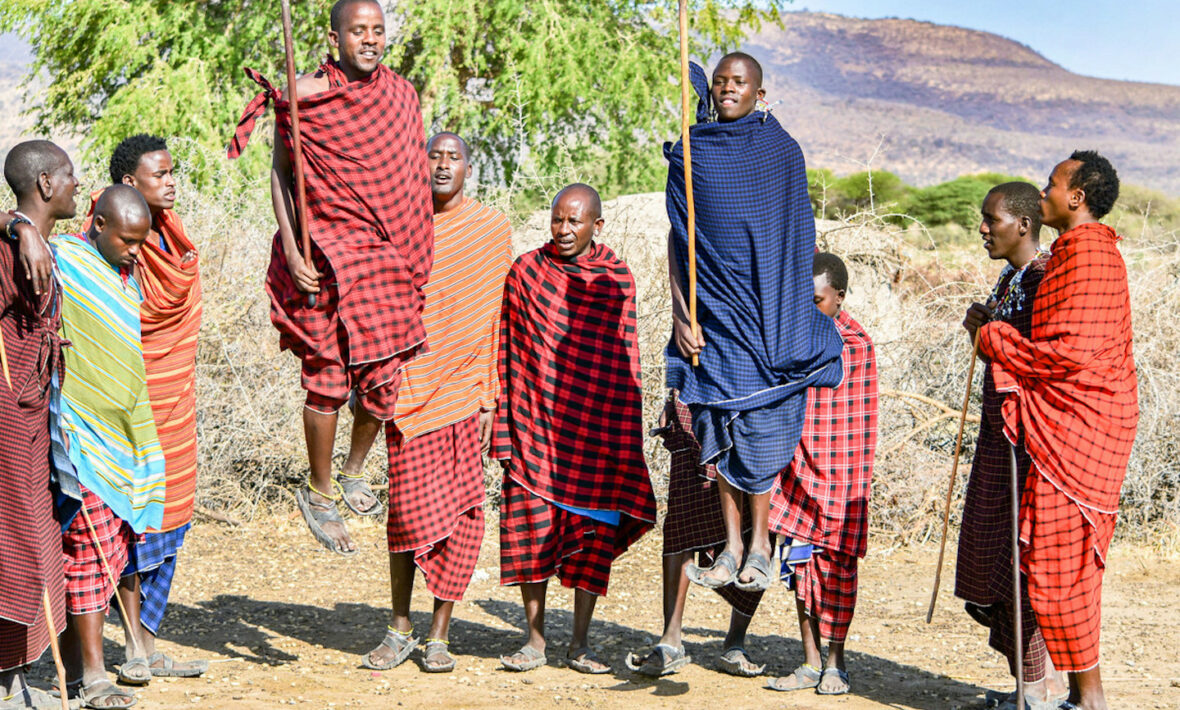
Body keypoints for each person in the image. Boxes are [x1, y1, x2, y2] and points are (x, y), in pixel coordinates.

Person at [228, 0, 434, 554]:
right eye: (357, 31)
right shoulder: (305, 95)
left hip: (386, 260)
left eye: (377, 31)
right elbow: (280, 172)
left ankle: (353, 468)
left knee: (383, 382)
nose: (369, 40)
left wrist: (413, 251)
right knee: (328, 380)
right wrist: (294, 250)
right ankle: (318, 493)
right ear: (334, 36)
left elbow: (407, 183)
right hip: (319, 257)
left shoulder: (401, 96)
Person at [666, 53, 844, 595]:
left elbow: (795, 236)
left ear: (758, 92)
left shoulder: (781, 151)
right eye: (719, 82)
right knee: (719, 421)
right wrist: (679, 313)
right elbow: (679, 241)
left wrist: (791, 313)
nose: (726, 89)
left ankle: (762, 546)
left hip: (771, 312)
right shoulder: (691, 153)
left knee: (762, 430)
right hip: (715, 314)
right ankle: (731, 547)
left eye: (738, 83)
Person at [977, 151, 1138, 710]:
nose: (1042, 192)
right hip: (1062, 431)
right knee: (1056, 570)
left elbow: (1068, 356)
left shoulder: (1090, 258)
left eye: (1051, 185)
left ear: (1077, 198)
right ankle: (1076, 698)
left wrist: (994, 338)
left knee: (1060, 572)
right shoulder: (1073, 255)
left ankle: (1088, 701)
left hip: (1081, 433)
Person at [362, 132, 512, 673]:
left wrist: (494, 397)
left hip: (465, 392)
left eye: (454, 158)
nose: (443, 165)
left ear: (469, 169)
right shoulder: (399, 225)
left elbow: (499, 321)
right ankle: (399, 625)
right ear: (418, 163)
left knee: (463, 514)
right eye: (434, 155)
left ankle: (439, 633)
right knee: (404, 514)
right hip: (407, 390)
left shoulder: (491, 230)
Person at [494, 184, 656, 674]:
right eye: (557, 220)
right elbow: (506, 348)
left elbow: (624, 360)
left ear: (597, 227)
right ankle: (535, 640)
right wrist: (503, 419)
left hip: (596, 430)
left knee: (593, 536)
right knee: (530, 530)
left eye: (575, 222)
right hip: (536, 424)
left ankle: (579, 644)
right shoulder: (525, 273)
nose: (563, 231)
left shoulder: (616, 280)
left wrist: (625, 433)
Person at [89, 134, 206, 681]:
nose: (171, 182)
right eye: (159, 175)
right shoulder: (101, 239)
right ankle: (133, 644)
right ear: (128, 183)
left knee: (168, 522)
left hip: (173, 401)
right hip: (123, 405)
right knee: (130, 520)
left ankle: (148, 643)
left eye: (172, 171)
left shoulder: (172, 239)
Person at [54, 185, 166, 710]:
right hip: (80, 434)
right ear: (96, 223)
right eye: (127, 240)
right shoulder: (64, 262)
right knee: (88, 555)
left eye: (142, 241)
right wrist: (18, 225)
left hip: (125, 436)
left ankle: (80, 669)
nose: (135, 251)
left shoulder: (123, 275)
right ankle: (94, 675)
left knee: (113, 554)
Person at [956, 182, 1065, 710]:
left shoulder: (1046, 280)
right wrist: (980, 332)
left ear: (1023, 224)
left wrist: (992, 335)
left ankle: (1038, 690)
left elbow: (1043, 364)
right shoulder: (1010, 278)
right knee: (988, 562)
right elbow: (1003, 359)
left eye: (990, 219)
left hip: (1027, 446)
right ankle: (1033, 685)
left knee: (1021, 563)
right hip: (996, 441)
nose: (982, 228)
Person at [762, 252, 878, 697]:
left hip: (843, 475)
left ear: (839, 298)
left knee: (837, 568)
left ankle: (837, 662)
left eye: (816, 300)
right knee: (801, 564)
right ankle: (810, 660)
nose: (807, 310)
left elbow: (859, 419)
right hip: (796, 470)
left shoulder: (856, 344)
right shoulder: (788, 338)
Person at [0, 140, 75, 710]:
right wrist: (14, 225)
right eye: (70, 175)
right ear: (45, 184)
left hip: (34, 421)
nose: (77, 184)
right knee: (16, 547)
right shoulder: (11, 248)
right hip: (6, 420)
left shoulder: (42, 246)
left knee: (39, 540)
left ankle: (18, 678)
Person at [624, 395, 767, 678]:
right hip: (695, 400)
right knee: (682, 519)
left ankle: (735, 642)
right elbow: (680, 351)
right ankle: (671, 638)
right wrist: (671, 394)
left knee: (754, 525)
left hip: (754, 394)